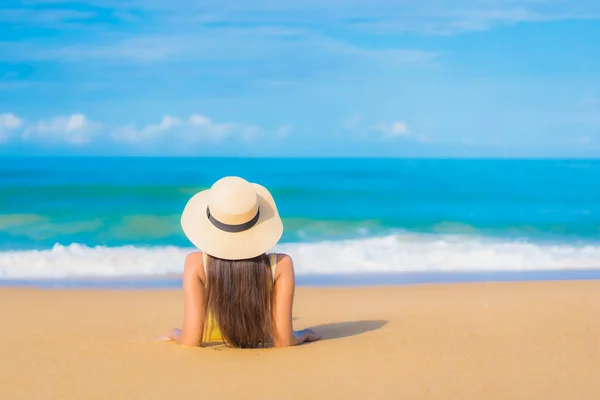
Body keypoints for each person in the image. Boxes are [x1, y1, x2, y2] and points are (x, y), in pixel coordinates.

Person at [157, 176, 321, 348]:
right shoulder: (280, 265)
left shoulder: (196, 263)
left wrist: (175, 333)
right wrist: (303, 334)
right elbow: (283, 340)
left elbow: (191, 340)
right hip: (262, 338)